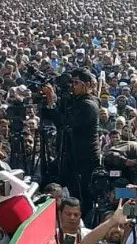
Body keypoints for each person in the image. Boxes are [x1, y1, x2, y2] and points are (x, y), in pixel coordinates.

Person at [41, 67, 101, 215]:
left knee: (81, 196)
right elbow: (51, 115)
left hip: (83, 159)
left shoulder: (89, 105)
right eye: (72, 82)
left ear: (87, 85)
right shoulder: (73, 100)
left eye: (76, 83)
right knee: (49, 180)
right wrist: (50, 102)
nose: (72, 86)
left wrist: (52, 99)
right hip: (68, 156)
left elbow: (64, 123)